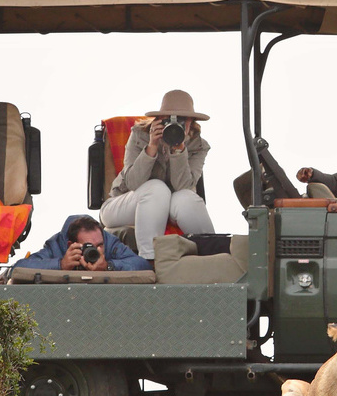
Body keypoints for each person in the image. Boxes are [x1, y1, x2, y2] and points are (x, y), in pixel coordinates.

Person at [99, 89, 216, 262]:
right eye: (169, 119)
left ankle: (213, 256)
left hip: (169, 205)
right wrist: (151, 147)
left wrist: (178, 149)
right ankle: (149, 260)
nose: (176, 124)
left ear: (191, 122)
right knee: (157, 188)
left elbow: (183, 187)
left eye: (182, 120)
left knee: (187, 197)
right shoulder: (140, 135)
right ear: (160, 119)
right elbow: (132, 183)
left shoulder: (198, 146)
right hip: (122, 204)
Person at [12, 214, 150, 272]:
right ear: (71, 245)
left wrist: (108, 266)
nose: (96, 251)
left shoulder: (109, 243)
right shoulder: (57, 246)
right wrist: (60, 264)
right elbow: (19, 268)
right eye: (89, 247)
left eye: (99, 245)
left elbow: (143, 265)